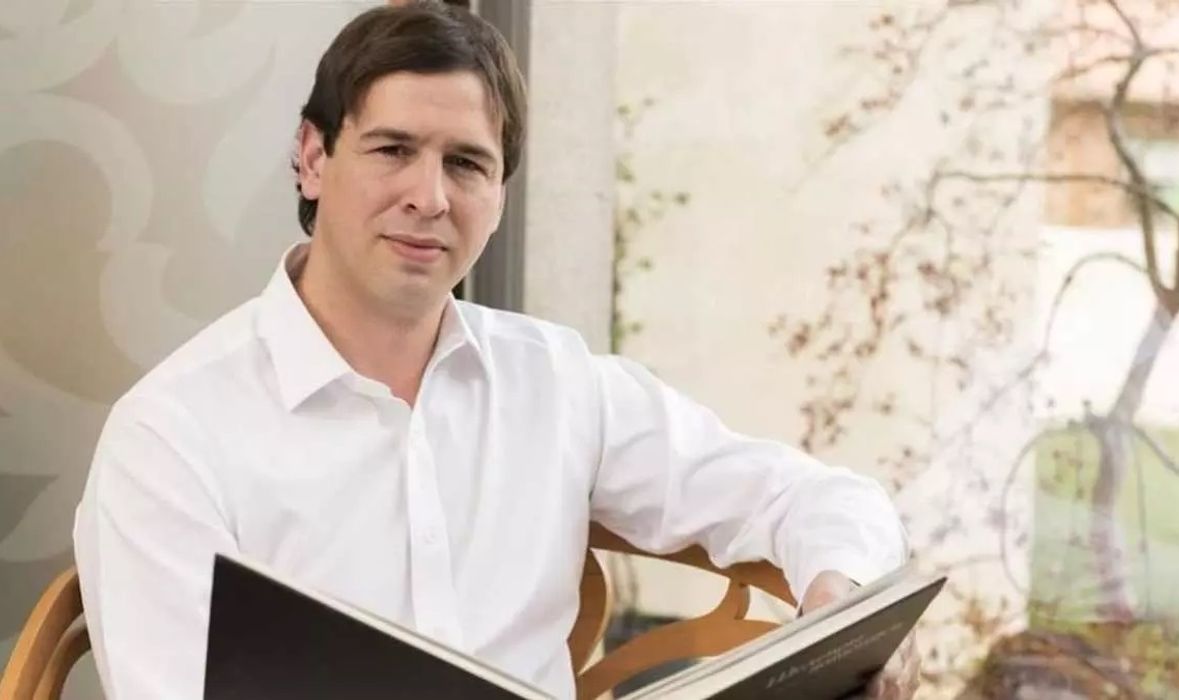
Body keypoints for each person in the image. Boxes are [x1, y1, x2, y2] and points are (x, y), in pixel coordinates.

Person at [73, 3, 916, 698]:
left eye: (467, 164)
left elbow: (819, 500)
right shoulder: (172, 435)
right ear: (313, 157)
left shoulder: (556, 381)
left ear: (499, 195)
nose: (430, 197)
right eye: (394, 150)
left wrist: (840, 598)